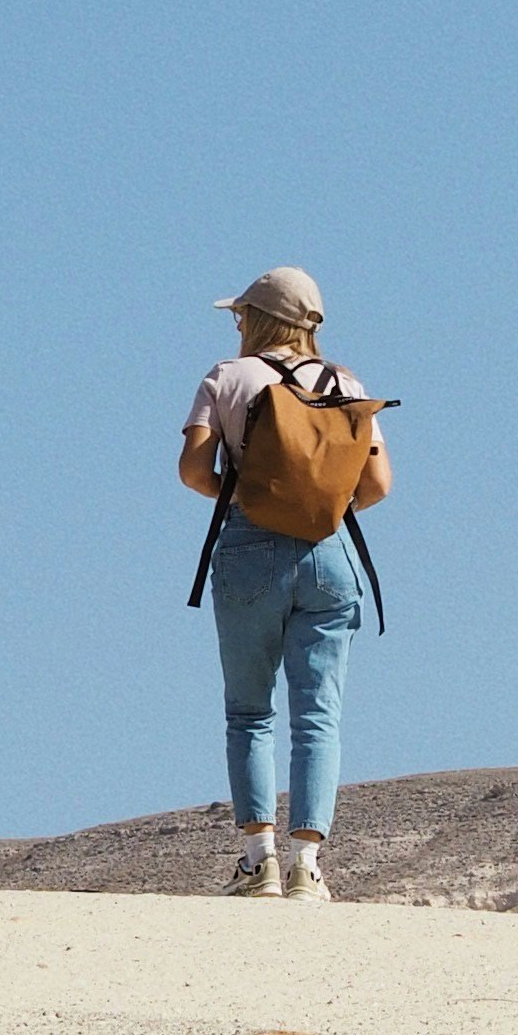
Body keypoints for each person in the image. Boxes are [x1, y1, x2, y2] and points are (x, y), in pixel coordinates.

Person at [179, 266, 387, 902]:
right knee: (317, 715)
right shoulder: (347, 384)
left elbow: (192, 469)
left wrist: (245, 497)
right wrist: (312, 508)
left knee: (249, 711)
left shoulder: (225, 377)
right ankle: (308, 867)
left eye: (241, 314)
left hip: (247, 551)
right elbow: (377, 486)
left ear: (258, 319)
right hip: (330, 556)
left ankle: (257, 862)